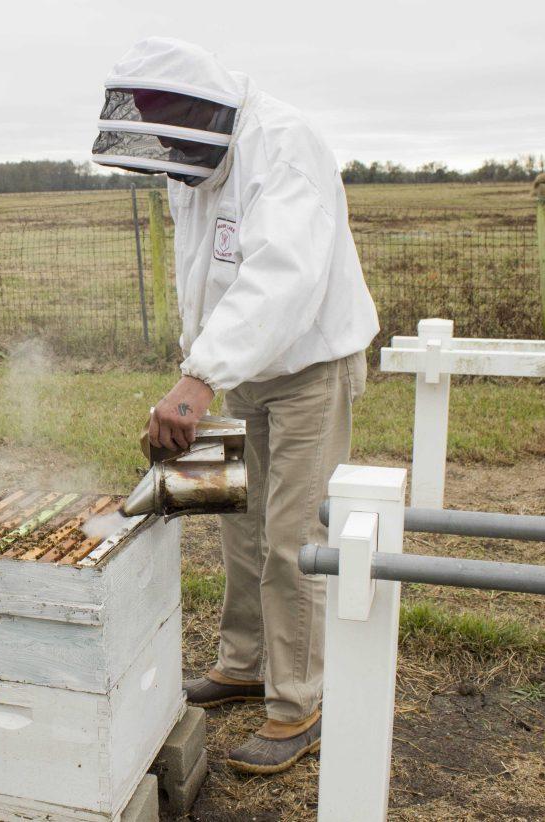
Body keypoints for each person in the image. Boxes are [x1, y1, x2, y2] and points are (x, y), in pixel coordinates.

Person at [93, 37, 379, 774]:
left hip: (311, 366)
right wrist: (202, 364)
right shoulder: (190, 166)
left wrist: (199, 378)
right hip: (244, 368)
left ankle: (298, 705)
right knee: (240, 527)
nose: (163, 145)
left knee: (292, 541)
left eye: (169, 127)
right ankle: (245, 663)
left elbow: (281, 277)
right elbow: (205, 272)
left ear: (203, 108)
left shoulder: (284, 145)